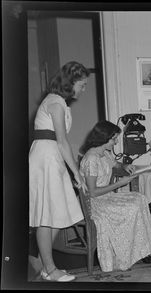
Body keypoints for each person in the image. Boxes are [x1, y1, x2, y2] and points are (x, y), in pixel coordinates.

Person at [79, 120, 151, 272]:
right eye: (114, 138)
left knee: (140, 199)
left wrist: (124, 166)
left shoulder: (104, 153)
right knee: (132, 208)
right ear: (103, 138)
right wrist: (119, 184)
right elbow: (92, 192)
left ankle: (149, 249)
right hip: (95, 203)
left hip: (106, 196)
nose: (116, 141)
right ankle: (129, 254)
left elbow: (115, 165)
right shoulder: (91, 159)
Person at [29, 61, 90, 282]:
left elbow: (62, 143)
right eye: (82, 85)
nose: (84, 90)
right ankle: (50, 269)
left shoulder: (60, 103)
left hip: (52, 156)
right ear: (70, 82)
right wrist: (77, 172)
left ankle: (42, 263)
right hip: (46, 157)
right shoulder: (55, 102)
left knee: (53, 213)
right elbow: (63, 142)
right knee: (47, 215)